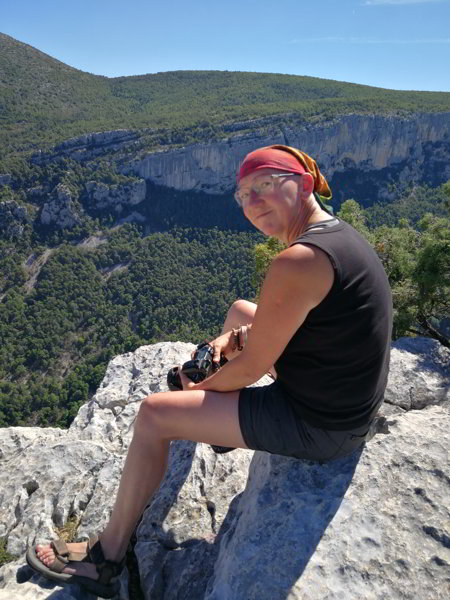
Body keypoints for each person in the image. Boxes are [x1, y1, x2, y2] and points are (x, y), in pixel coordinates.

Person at [27, 145, 393, 598]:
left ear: (301, 184)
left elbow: (253, 367)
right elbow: (303, 328)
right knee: (242, 310)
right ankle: (218, 426)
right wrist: (231, 342)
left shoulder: (298, 259)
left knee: (156, 414)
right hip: (340, 393)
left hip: (322, 425)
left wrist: (200, 388)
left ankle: (107, 556)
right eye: (242, 194)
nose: (252, 202)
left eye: (264, 185)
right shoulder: (334, 236)